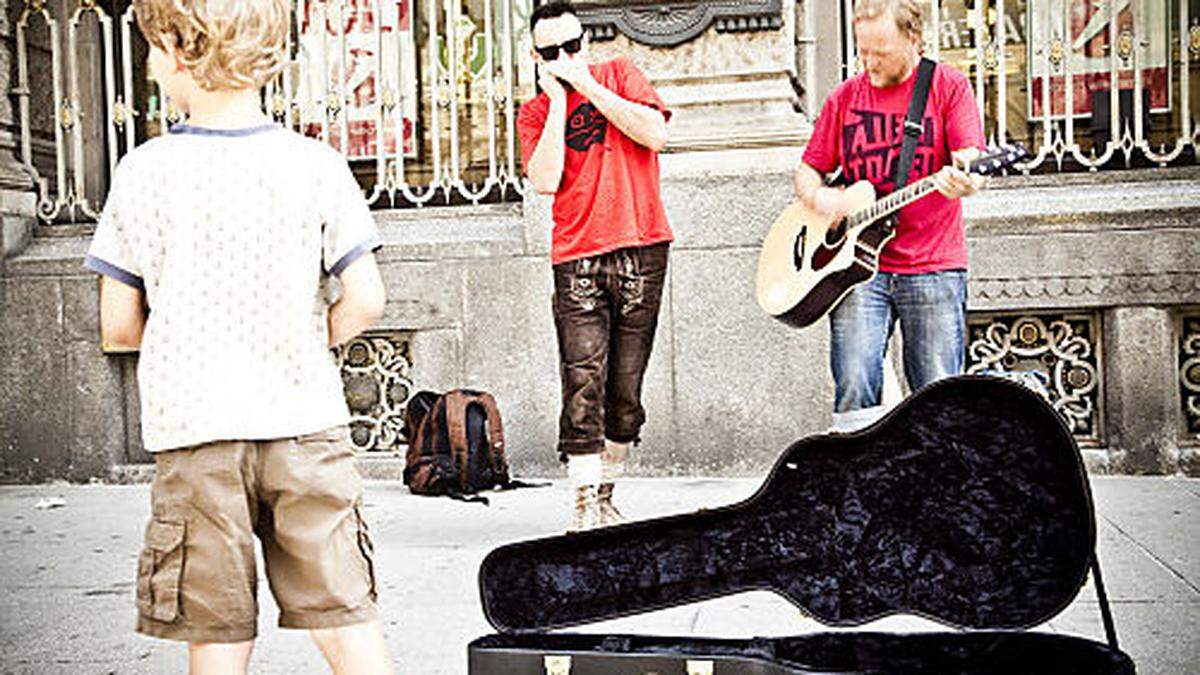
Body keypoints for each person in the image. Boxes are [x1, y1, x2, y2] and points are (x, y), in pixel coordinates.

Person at [85, 1, 394, 672]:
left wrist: (183, 338)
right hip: (305, 420)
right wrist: (311, 341)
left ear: (179, 47)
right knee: (347, 615)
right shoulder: (316, 163)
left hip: (196, 431)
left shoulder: (143, 171)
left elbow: (117, 323)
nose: (146, 61)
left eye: (151, 46)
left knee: (217, 629)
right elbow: (366, 297)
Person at [792, 0, 987, 432]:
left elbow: (969, 156)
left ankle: (939, 491)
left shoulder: (947, 86)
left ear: (913, 39)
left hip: (933, 265)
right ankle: (860, 488)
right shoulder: (845, 97)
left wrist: (967, 178)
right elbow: (808, 172)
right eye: (863, 50)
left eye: (881, 50)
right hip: (858, 272)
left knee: (938, 393)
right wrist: (828, 202)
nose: (869, 61)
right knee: (854, 384)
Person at [516, 1, 672, 530]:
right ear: (536, 56)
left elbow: (655, 134)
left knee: (625, 389)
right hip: (577, 254)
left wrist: (588, 85)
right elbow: (544, 179)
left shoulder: (620, 73)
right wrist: (559, 101)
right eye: (552, 52)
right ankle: (583, 507)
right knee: (582, 383)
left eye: (573, 45)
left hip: (642, 244)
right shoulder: (535, 110)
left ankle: (606, 495)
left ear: (586, 41)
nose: (565, 57)